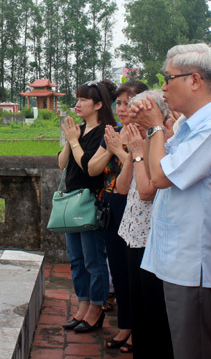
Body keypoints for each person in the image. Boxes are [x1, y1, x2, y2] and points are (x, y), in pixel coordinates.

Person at [130, 43, 211, 359]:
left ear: (194, 80)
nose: (163, 88)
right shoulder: (189, 126)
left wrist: (153, 128)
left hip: (195, 265)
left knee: (196, 350)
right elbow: (155, 172)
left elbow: (161, 177)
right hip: (177, 258)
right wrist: (151, 130)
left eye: (169, 78)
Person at [88, 80, 146, 351]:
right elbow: (92, 168)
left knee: (138, 271)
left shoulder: (147, 136)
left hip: (138, 205)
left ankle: (140, 328)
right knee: (119, 270)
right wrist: (113, 149)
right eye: (119, 103)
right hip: (112, 203)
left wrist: (119, 151)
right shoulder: (115, 132)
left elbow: (141, 171)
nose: (122, 108)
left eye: (129, 102)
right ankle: (125, 325)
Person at [115, 89, 174, 358]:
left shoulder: (162, 140)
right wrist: (130, 154)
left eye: (138, 113)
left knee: (152, 310)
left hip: (152, 235)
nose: (132, 118)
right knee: (136, 300)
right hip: (133, 231)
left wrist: (137, 152)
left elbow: (148, 190)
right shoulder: (140, 141)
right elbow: (122, 187)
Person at [58, 79, 116, 333]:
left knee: (94, 259)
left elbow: (90, 168)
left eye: (83, 100)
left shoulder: (106, 131)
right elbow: (62, 164)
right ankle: (82, 305)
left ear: (99, 104)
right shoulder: (78, 129)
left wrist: (74, 142)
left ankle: (96, 308)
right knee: (76, 258)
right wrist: (70, 139)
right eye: (77, 99)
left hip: (91, 200)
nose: (77, 104)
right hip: (72, 200)